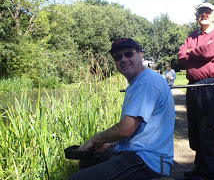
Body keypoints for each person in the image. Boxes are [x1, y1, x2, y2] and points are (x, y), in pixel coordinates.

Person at [69, 37, 175, 180]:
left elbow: (126, 129)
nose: (123, 59)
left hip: (148, 161)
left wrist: (96, 139)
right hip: (135, 153)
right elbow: (139, 130)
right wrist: (108, 143)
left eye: (128, 54)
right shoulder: (135, 83)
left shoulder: (147, 82)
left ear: (139, 55)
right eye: (118, 57)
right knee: (87, 161)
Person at [177, 3, 214, 180]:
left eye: (208, 12)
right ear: (197, 16)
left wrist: (192, 53)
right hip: (193, 86)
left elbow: (211, 51)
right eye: (201, 12)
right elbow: (181, 57)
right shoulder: (192, 36)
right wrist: (196, 54)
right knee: (195, 128)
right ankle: (200, 167)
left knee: (210, 129)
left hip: (209, 86)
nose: (204, 14)